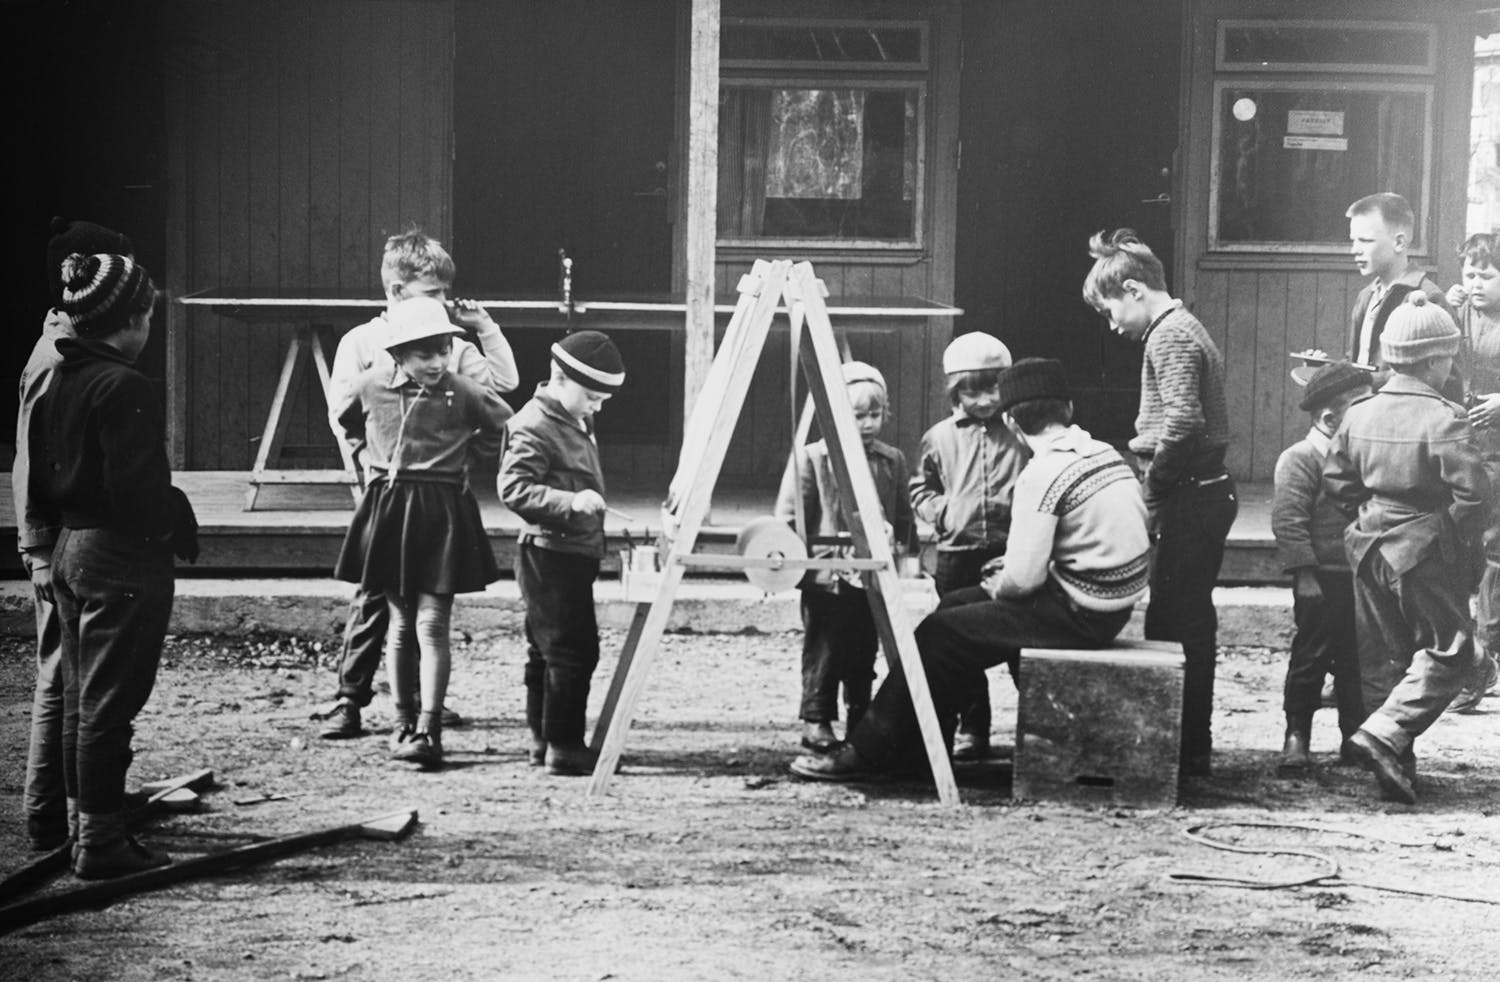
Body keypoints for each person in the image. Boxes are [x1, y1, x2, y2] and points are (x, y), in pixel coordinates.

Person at [789, 358, 1149, 781]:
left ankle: (870, 753)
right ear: (1068, 408)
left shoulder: (1044, 473)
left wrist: (1004, 580)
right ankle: (923, 744)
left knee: (937, 634)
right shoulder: (1101, 452)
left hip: (1080, 612)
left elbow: (1022, 582)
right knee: (954, 606)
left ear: (1012, 421)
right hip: (1111, 602)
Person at [31, 252, 198, 878]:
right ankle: (101, 845)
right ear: (133, 318)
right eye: (149, 314)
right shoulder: (125, 385)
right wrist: (170, 521)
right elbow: (136, 490)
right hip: (120, 557)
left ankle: (84, 823)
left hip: (72, 549)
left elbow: (46, 479)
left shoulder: (62, 375)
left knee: (81, 699)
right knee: (109, 704)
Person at [316, 229, 519, 740]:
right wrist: (373, 470)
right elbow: (344, 414)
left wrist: (484, 330)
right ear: (397, 290)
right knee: (373, 601)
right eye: (433, 294)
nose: (444, 303)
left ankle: (423, 704)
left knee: (422, 615)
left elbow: (501, 389)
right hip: (385, 490)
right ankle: (351, 698)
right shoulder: (361, 343)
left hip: (436, 493)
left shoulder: (449, 346)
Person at [1324, 294, 1490, 805]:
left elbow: (1337, 481)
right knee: (1455, 650)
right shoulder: (1446, 418)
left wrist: (1371, 516)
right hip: (1421, 549)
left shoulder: (1360, 412)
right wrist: (1453, 536)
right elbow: (1475, 496)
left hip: (1367, 545)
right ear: (1437, 359)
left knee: (1385, 659)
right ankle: (1383, 736)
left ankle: (1396, 764)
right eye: (1449, 358)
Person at [1082, 228, 1236, 777]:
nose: (1113, 325)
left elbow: (1184, 423)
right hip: (1197, 492)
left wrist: (1151, 492)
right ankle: (1184, 740)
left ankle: (1186, 743)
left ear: (1134, 288)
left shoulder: (1169, 335)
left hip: (1188, 495)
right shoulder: (1179, 327)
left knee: (1179, 620)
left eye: (1110, 310)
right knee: (1178, 615)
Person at [14, 218, 136, 852]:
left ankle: (76, 805)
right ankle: (46, 814)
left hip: (69, 537)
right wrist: (36, 549)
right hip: (62, 538)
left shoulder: (72, 350)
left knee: (73, 678)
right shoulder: (56, 358)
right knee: (61, 677)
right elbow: (33, 459)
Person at [500, 330, 626, 776]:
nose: (597, 406)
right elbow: (513, 488)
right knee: (573, 652)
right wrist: (569, 503)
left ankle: (543, 740)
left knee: (547, 651)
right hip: (550, 555)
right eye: (592, 396)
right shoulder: (535, 424)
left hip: (569, 551)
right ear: (560, 379)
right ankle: (566, 746)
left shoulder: (571, 417)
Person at [774, 361, 915, 753]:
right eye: (857, 416)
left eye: (874, 414)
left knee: (863, 645)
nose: (868, 424)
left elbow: (903, 517)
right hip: (827, 576)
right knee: (825, 646)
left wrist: (896, 544)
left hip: (871, 575)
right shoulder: (812, 459)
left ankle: (861, 716)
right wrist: (796, 562)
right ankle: (816, 718)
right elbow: (787, 519)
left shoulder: (893, 460)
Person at [908, 331, 1028, 759]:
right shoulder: (938, 437)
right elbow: (921, 488)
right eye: (972, 391)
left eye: (993, 388)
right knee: (963, 645)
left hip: (1009, 552)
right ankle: (973, 729)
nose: (983, 400)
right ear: (955, 391)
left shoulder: (1020, 433)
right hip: (956, 556)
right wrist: (943, 513)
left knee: (1020, 643)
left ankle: (1036, 730)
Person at [1271, 361, 1372, 773]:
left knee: (1355, 661)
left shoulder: (1358, 456)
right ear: (1331, 418)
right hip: (1320, 580)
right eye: (1361, 408)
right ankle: (1297, 735)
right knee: (1311, 657)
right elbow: (1289, 522)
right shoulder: (1300, 459)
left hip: (1357, 579)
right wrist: (1305, 575)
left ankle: (1354, 736)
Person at [1443, 232, 1500, 711]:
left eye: (1488, 274)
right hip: (1467, 442)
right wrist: (1446, 303)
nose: (1477, 283)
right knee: (1466, 543)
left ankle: (1491, 651)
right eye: (1470, 274)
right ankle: (1471, 655)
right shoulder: (1460, 311)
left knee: (1495, 548)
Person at [1344, 193, 1455, 391]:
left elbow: (1448, 381)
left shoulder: (1429, 299)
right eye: (1353, 241)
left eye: (1365, 241)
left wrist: (1368, 380)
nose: (1354, 250)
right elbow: (1359, 360)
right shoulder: (1366, 296)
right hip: (1365, 413)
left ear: (1399, 243)